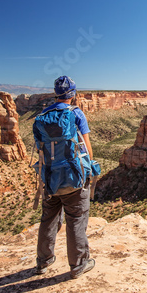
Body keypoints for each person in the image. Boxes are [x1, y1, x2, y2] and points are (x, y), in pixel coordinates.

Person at [35, 75, 95, 279]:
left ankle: (43, 261)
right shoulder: (76, 114)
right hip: (73, 179)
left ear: (55, 94)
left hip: (50, 179)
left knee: (48, 219)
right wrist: (90, 169)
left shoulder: (43, 115)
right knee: (76, 220)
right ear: (73, 94)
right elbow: (87, 148)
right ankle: (79, 265)